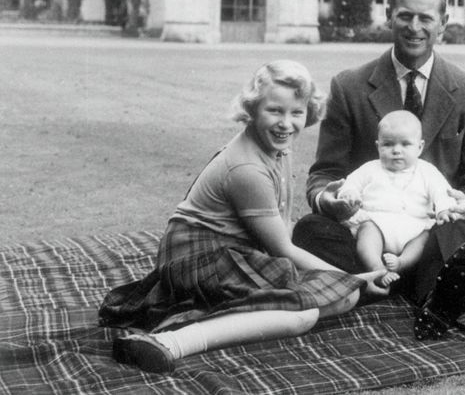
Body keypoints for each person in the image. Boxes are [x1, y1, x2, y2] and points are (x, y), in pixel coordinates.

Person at [99, 61, 380, 374]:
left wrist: (345, 283)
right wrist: (352, 277)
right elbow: (283, 249)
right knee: (305, 313)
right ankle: (172, 341)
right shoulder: (247, 169)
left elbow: (282, 227)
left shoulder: (278, 149)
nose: (286, 123)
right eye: (274, 111)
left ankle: (215, 314)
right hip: (197, 255)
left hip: (232, 252)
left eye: (296, 113)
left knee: (344, 296)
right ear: (252, 109)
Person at [293, 0, 465, 340]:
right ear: (389, 16)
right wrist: (330, 199)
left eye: (425, 18)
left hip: (433, 231)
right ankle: (443, 286)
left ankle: (398, 286)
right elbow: (323, 174)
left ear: (443, 24)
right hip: (366, 230)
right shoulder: (349, 86)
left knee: (459, 231)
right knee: (310, 230)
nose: (414, 27)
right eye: (405, 16)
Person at [333, 110, 458, 287]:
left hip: (414, 225)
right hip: (378, 222)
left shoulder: (427, 171)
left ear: (420, 147)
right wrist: (350, 193)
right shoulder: (370, 169)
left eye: (406, 144)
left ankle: (402, 263)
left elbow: (442, 191)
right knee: (367, 232)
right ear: (378, 146)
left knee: (423, 238)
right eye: (388, 144)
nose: (396, 151)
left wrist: (444, 208)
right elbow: (352, 183)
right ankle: (377, 268)